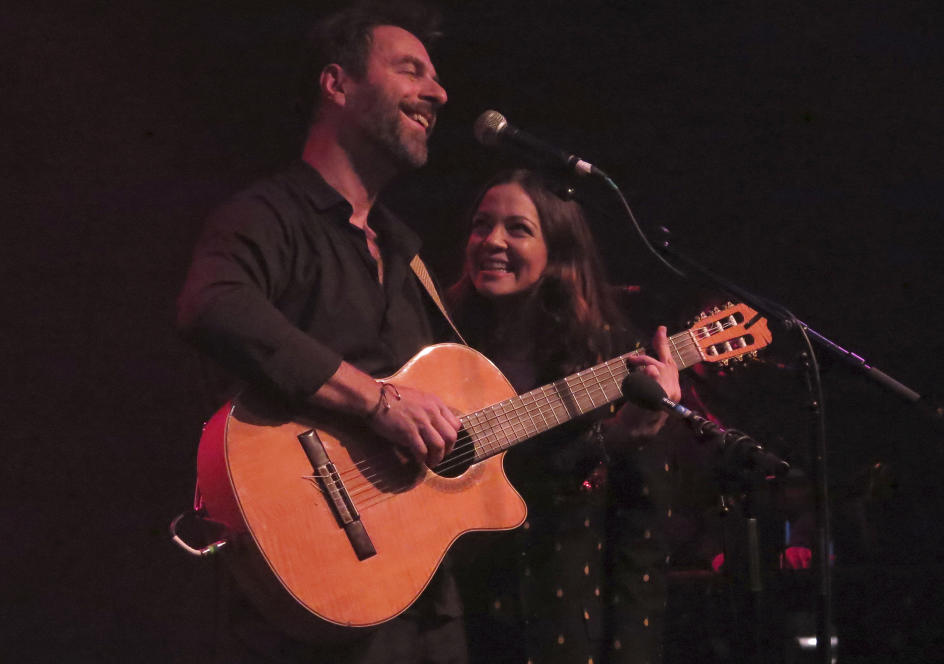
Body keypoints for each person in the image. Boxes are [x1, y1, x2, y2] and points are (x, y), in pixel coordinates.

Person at [176, 2, 467, 662]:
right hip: (304, 601)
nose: (439, 92)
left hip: (422, 603)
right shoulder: (268, 214)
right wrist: (377, 401)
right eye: (410, 69)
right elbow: (213, 304)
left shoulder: (404, 252)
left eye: (436, 75)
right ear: (337, 85)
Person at [446, 168, 682, 664]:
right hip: (447, 621)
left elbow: (640, 546)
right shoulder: (437, 346)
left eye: (518, 228)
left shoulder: (614, 361)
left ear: (559, 250)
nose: (491, 241)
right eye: (480, 225)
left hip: (556, 628)